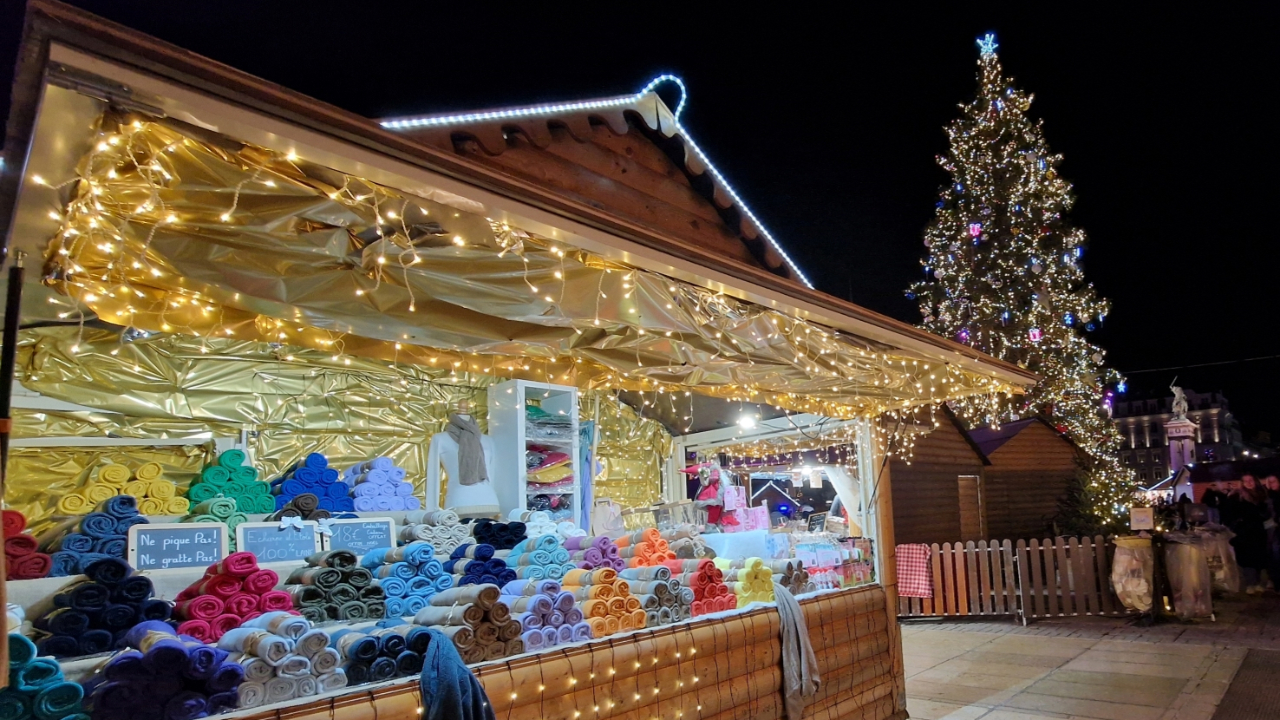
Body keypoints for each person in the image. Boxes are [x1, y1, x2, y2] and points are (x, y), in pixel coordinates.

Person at [1228, 474, 1270, 594]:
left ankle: (1260, 582)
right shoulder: (1237, 496)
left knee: (1259, 558)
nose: (1249, 483)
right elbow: (1230, 513)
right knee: (1247, 558)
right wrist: (1236, 525)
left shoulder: (1262, 494)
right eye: (1245, 481)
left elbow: (1266, 511)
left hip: (1259, 530)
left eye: (1251, 480)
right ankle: (1250, 583)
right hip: (1244, 531)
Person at [1265, 475, 1280, 591]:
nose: (1271, 484)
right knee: (1274, 554)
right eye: (1269, 482)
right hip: (1273, 529)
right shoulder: (1267, 496)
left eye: (1273, 481)